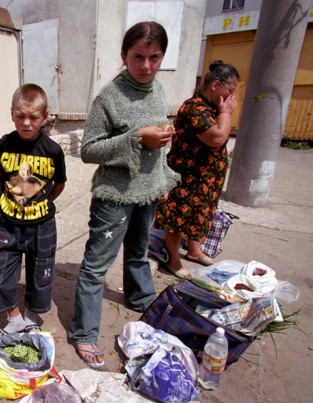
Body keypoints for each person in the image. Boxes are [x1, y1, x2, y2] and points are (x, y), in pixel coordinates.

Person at [68, 21, 179, 368]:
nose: (146, 66)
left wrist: (159, 174)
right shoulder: (109, 96)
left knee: (139, 252)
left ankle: (141, 298)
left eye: (154, 57)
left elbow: (156, 142)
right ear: (124, 56)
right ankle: (84, 333)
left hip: (147, 192)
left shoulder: (158, 89)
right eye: (138, 57)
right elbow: (89, 149)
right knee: (96, 267)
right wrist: (136, 138)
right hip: (114, 196)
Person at [0, 84, 67, 346]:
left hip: (43, 226)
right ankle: (14, 316)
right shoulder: (3, 145)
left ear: (45, 117)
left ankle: (31, 316)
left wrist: (38, 205)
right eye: (20, 116)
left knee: (40, 271)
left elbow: (59, 185)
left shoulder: (53, 150)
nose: (27, 123)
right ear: (12, 114)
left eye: (33, 117)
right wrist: (16, 201)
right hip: (9, 224)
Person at [154, 61, 239, 277]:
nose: (231, 98)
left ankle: (194, 251)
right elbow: (218, 138)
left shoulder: (211, 107)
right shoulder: (195, 108)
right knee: (178, 220)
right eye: (229, 91)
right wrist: (226, 112)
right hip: (188, 176)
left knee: (200, 216)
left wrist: (222, 111)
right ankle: (172, 260)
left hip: (205, 179)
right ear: (215, 85)